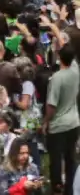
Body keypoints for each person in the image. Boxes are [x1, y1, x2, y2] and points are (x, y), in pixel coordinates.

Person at [43, 43, 79, 195]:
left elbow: (52, 105)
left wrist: (46, 122)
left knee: (56, 159)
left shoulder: (57, 78)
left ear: (59, 57)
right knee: (70, 157)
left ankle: (57, 187)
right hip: (74, 122)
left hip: (58, 124)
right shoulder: (76, 70)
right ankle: (70, 187)